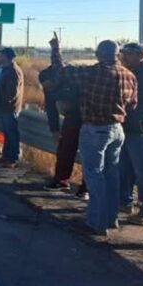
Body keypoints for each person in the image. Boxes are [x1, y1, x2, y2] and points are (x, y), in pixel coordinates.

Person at [58, 38, 137, 235]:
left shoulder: (93, 72)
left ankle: (97, 222)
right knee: (111, 175)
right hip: (117, 129)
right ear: (117, 54)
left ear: (98, 54)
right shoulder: (130, 75)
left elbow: (63, 69)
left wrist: (55, 50)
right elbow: (133, 104)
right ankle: (112, 219)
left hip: (95, 129)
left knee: (94, 175)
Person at [40, 41, 88, 199]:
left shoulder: (70, 78)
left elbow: (59, 64)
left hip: (88, 118)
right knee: (65, 150)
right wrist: (54, 130)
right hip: (71, 120)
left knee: (89, 154)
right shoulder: (50, 91)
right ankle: (61, 180)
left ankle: (85, 188)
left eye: (49, 84)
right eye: (45, 86)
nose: (48, 88)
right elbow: (51, 110)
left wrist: (55, 48)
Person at [118, 42, 143, 225]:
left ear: (141, 55)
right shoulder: (135, 71)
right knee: (125, 169)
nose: (124, 57)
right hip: (129, 129)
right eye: (123, 53)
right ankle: (125, 202)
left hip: (139, 131)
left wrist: (129, 116)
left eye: (128, 54)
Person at [0, 47, 24, 168]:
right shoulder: (6, 69)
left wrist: (2, 102)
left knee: (12, 133)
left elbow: (12, 92)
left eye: (2, 55)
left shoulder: (13, 71)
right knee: (7, 133)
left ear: (6, 56)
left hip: (9, 108)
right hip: (4, 107)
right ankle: (6, 156)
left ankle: (13, 158)